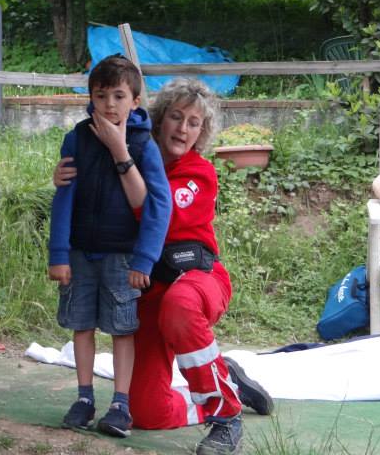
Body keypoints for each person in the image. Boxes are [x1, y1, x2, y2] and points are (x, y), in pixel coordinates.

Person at [56, 78, 273, 455]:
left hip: (196, 279)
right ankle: (228, 383)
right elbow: (91, 202)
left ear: (202, 132)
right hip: (147, 291)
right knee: (145, 412)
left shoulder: (199, 172)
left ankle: (225, 416)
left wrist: (121, 157)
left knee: (181, 305)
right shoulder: (134, 156)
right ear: (159, 120)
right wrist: (63, 179)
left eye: (194, 123)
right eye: (176, 117)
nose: (184, 129)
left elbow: (160, 217)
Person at [48, 56, 172, 438]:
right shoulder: (78, 137)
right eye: (101, 95)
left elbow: (157, 205)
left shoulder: (142, 144)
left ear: (135, 100)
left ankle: (120, 403)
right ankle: (84, 397)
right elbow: (64, 197)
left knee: (122, 329)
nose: (110, 104)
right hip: (80, 253)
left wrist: (145, 260)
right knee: (81, 325)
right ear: (90, 98)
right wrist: (59, 253)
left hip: (123, 257)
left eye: (119, 95)